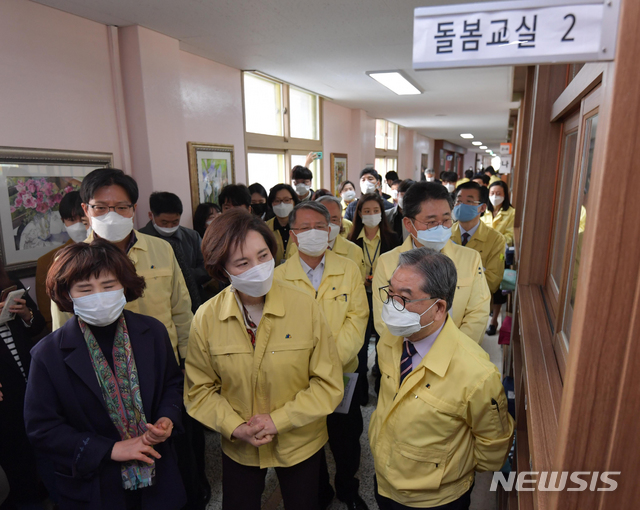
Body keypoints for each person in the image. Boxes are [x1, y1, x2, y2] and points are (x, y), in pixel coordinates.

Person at [184, 209, 343, 510]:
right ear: (222, 270)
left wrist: (279, 420)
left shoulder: (305, 306)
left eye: (263, 256)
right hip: (239, 444)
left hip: (299, 440)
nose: (258, 268)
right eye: (243, 263)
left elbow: (328, 384)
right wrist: (235, 426)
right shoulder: (207, 317)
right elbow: (199, 391)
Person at [25, 240, 186, 510]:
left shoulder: (152, 332)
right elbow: (42, 428)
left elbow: (172, 382)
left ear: (124, 286)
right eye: (85, 289)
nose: (99, 296)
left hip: (158, 474)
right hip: (94, 486)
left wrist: (167, 418)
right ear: (68, 294)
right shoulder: (47, 354)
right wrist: (110, 449)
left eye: (109, 286)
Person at [369, 248, 514, 509]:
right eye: (389, 292)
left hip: (435, 498)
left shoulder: (477, 374)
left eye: (403, 298)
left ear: (438, 308)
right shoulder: (390, 341)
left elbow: (492, 448)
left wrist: (450, 470)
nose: (390, 305)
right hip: (384, 480)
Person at [274, 202, 369, 510]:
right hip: (298, 378)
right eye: (303, 228)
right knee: (306, 439)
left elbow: (357, 321)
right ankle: (321, 489)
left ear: (330, 231)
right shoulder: (277, 277)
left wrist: (328, 364)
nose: (312, 233)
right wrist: (306, 368)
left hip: (342, 373)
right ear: (292, 235)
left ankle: (347, 487)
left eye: (319, 226)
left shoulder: (349, 268)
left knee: (346, 437)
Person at [50, 168, 193, 364]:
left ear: (134, 208)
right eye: (100, 207)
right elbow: (62, 326)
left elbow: (181, 310)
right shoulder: (69, 263)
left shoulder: (161, 249)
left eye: (121, 207)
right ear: (86, 210)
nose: (112, 215)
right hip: (103, 369)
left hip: (163, 360)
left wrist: (187, 358)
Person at [372, 181, 490, 344]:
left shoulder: (470, 259)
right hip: (404, 356)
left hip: (455, 355)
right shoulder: (387, 262)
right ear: (409, 224)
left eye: (446, 220)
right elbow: (382, 319)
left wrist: (452, 352)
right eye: (431, 222)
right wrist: (411, 352)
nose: (440, 227)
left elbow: (478, 313)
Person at [0, 261, 47, 509]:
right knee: (14, 453)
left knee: (41, 442)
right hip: (4, 389)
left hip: (29, 374)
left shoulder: (9, 285)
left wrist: (26, 314)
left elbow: (37, 325)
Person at [349, 193, 400, 398]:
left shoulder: (393, 238)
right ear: (359, 213)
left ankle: (382, 386)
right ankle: (359, 390)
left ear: (382, 213)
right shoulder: (352, 240)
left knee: (385, 340)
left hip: (386, 297)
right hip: (359, 297)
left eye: (375, 211)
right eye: (366, 211)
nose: (371, 215)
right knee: (359, 344)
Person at [140, 192, 210, 312]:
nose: (169, 226)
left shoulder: (192, 236)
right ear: (151, 215)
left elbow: (207, 266)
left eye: (175, 222)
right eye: (164, 222)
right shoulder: (140, 239)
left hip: (193, 300)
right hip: (156, 305)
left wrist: (183, 276)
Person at [36, 190, 90, 331]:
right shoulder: (47, 262)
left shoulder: (112, 252)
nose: (78, 225)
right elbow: (48, 316)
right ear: (63, 222)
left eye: (82, 218)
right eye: (71, 220)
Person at [451, 182, 506, 295]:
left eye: (469, 201)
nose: (462, 205)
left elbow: (492, 281)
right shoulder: (445, 233)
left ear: (482, 207)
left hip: (477, 305)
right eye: (459, 201)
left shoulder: (496, 239)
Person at [482, 181, 516, 335]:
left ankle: (494, 321)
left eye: (498, 193)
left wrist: (494, 240)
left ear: (505, 195)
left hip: (500, 256)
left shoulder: (511, 213)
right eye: (492, 193)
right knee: (483, 288)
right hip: (482, 255)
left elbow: (510, 236)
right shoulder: (484, 211)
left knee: (497, 292)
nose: (494, 197)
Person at [266, 183, 300, 266]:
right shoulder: (265, 228)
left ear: (294, 202)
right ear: (271, 204)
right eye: (277, 201)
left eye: (286, 200)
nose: (282, 204)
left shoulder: (303, 227)